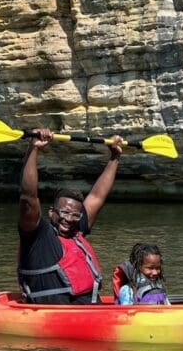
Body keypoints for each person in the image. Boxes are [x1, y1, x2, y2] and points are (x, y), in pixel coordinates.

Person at [17, 127, 123, 304]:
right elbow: (28, 196)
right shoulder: (37, 236)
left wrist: (115, 157)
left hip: (90, 311)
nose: (68, 219)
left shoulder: (76, 228)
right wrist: (33, 148)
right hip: (55, 314)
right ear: (51, 212)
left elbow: (97, 197)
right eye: (64, 212)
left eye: (74, 215)